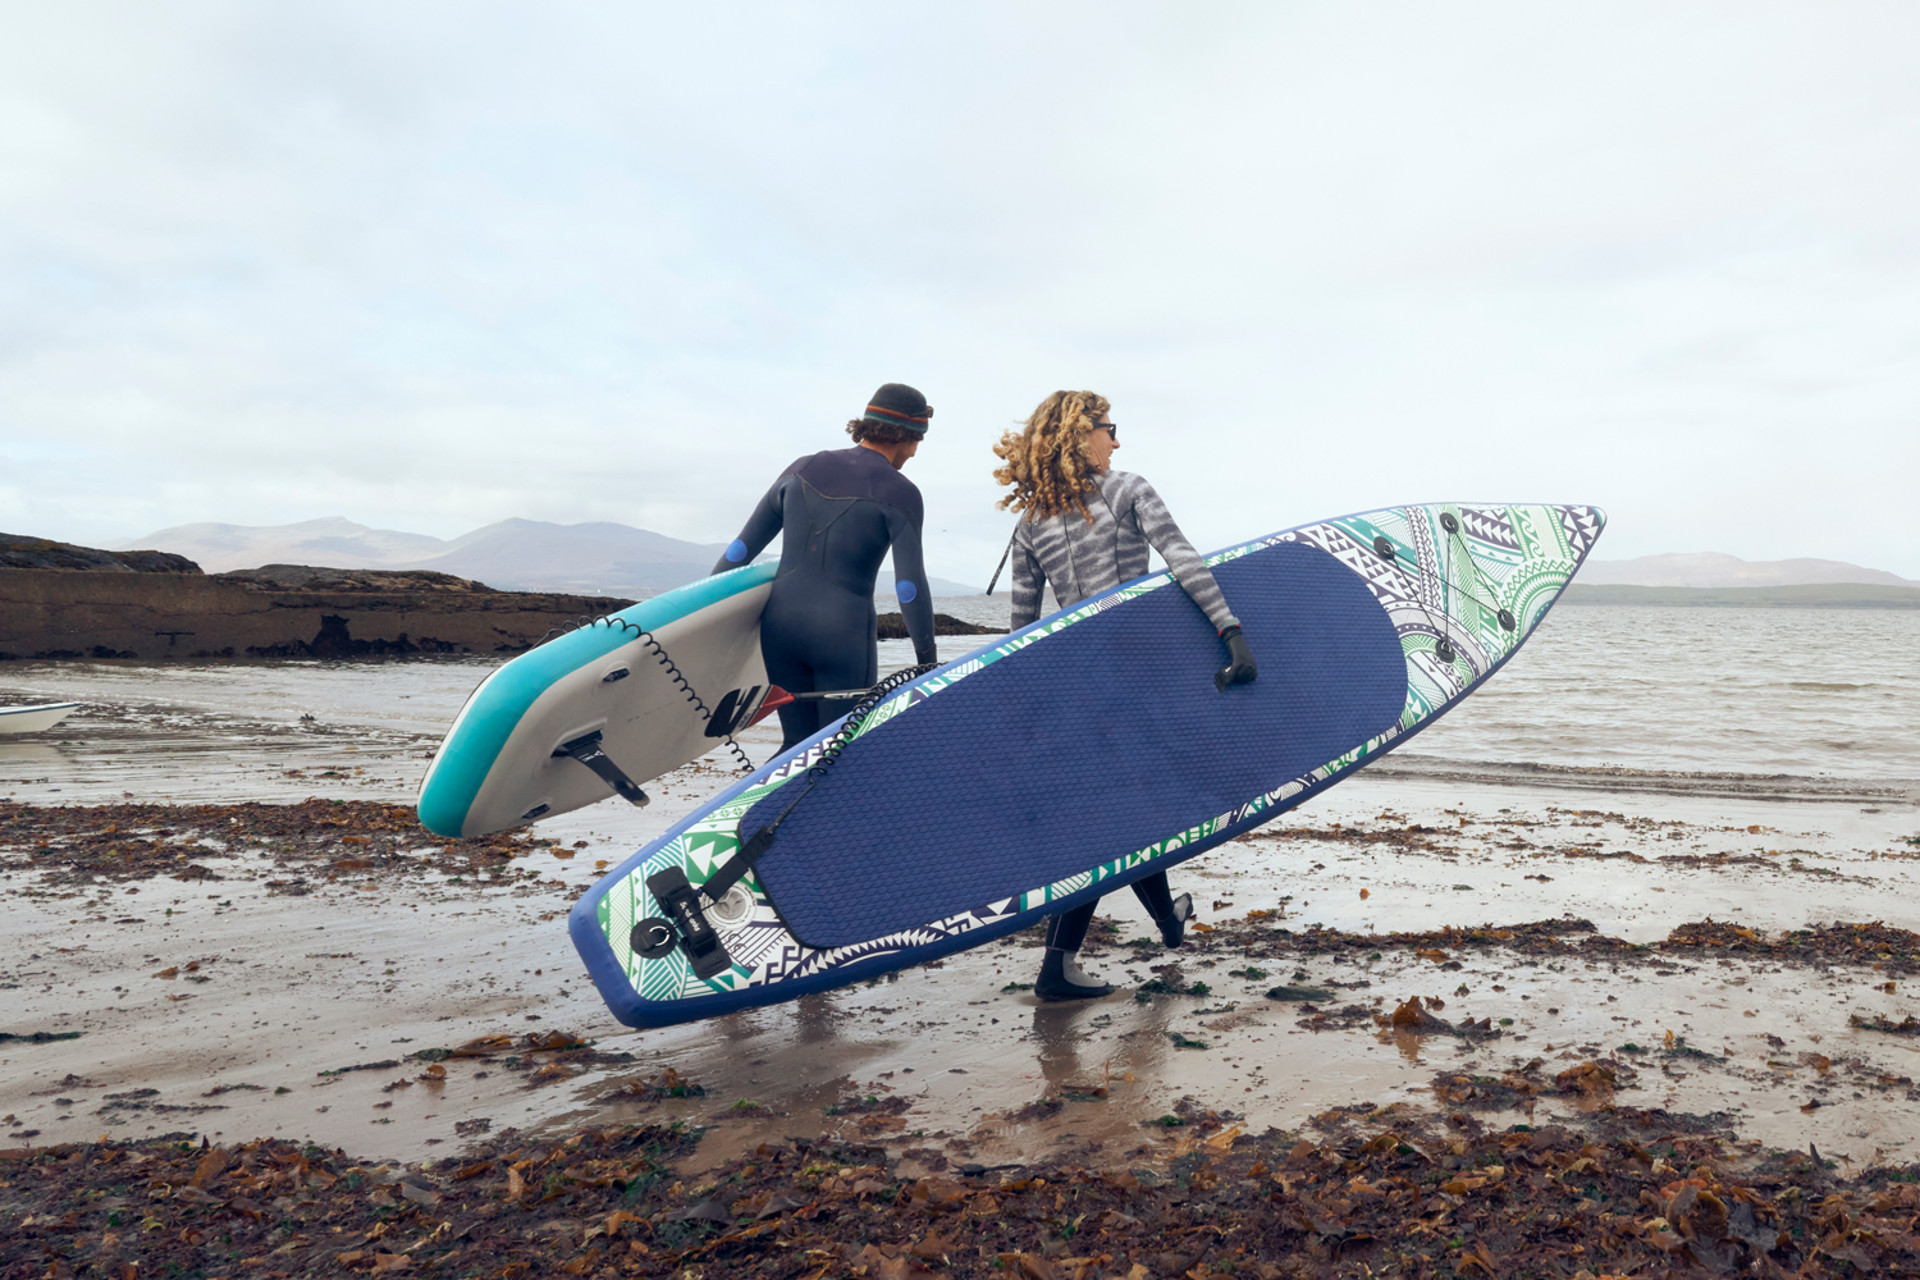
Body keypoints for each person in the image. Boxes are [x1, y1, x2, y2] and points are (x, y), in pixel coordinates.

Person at [993, 389, 1258, 1001]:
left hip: (1075, 690)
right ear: (1080, 436)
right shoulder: (1125, 489)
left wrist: (1020, 710)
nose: (1116, 440)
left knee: (1125, 815)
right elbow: (1183, 559)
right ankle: (1064, 962)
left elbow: (1022, 630)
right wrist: (1231, 631)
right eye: (1109, 428)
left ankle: (1161, 923)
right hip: (1134, 678)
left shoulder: (1029, 522)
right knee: (1125, 818)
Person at [713, 383, 940, 752]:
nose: (914, 453)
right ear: (905, 434)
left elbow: (740, 551)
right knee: (842, 748)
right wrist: (927, 663)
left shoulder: (802, 467)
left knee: (796, 744)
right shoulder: (902, 492)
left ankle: (762, 810)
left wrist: (708, 623)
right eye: (917, 442)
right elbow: (908, 588)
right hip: (842, 635)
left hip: (779, 630)